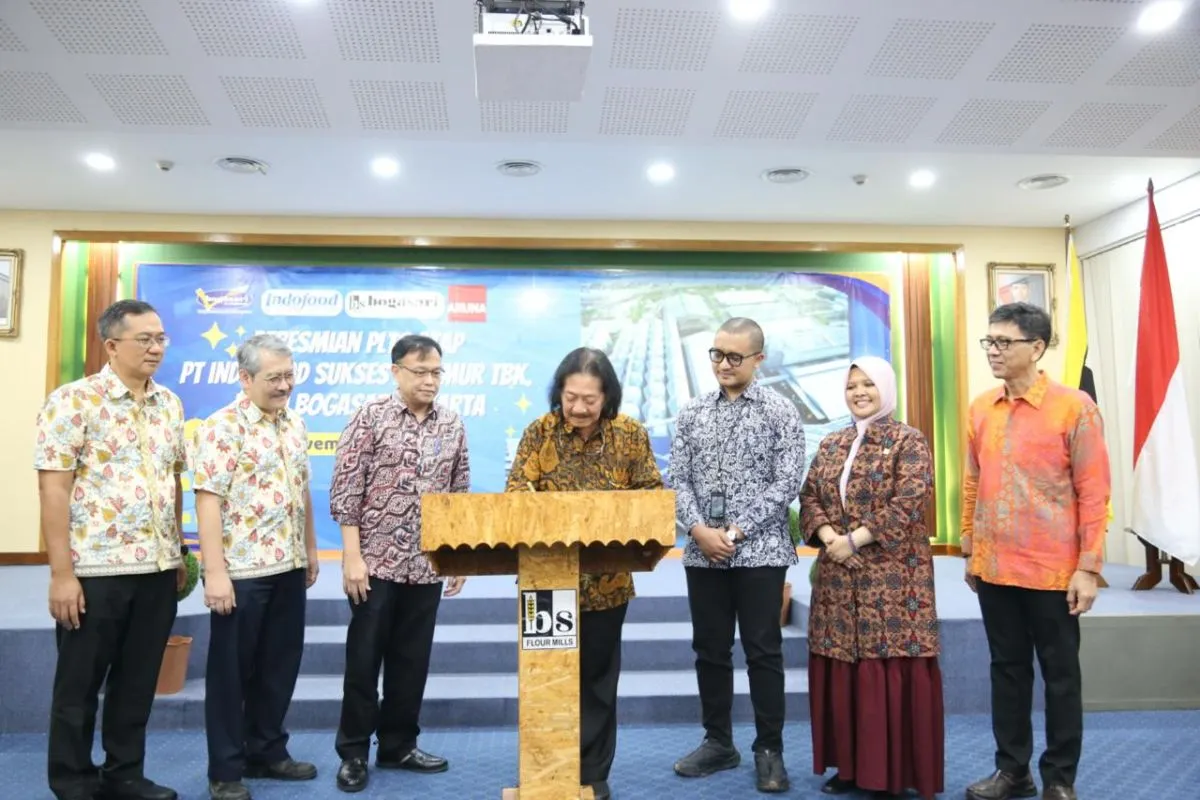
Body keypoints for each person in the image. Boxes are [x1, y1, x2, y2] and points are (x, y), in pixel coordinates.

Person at [35, 299, 188, 800]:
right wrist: (62, 574)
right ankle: (73, 781)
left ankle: (125, 774)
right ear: (112, 345)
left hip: (157, 568)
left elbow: (173, 479)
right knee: (79, 686)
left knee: (137, 683)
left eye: (160, 338)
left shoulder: (170, 403)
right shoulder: (72, 401)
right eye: (144, 339)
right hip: (94, 571)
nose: (155, 348)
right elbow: (53, 489)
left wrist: (178, 551)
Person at [962, 303, 1110, 800]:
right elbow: (972, 481)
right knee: (1007, 672)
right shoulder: (981, 408)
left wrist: (1088, 567)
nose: (994, 351)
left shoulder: (1074, 408)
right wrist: (969, 547)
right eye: (990, 341)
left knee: (1060, 676)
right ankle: (1012, 771)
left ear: (1038, 347)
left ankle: (1059, 778)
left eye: (1004, 342)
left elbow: (1094, 492)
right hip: (995, 566)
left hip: (1053, 570)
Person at [505, 346, 663, 800]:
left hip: (607, 584)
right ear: (558, 393)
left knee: (596, 682)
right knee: (544, 677)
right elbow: (515, 492)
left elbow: (652, 494)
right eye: (570, 397)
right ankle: (544, 770)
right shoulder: (539, 432)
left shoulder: (629, 435)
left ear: (606, 396)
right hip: (545, 582)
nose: (577, 408)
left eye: (589, 400)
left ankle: (592, 772)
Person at [669, 317, 805, 794]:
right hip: (703, 552)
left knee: (763, 652)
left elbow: (787, 482)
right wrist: (698, 530)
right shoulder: (691, 412)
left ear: (758, 359)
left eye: (734, 357)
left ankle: (769, 749)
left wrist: (736, 530)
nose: (723, 364)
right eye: (716, 354)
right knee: (709, 650)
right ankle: (718, 742)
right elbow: (677, 478)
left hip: (760, 551)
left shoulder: (780, 411)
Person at [329, 334, 470, 794]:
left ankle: (398, 745)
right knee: (364, 662)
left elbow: (457, 495)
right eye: (420, 371)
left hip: (426, 564)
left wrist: (456, 558)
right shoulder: (370, 417)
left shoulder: (452, 423)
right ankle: (353, 753)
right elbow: (346, 490)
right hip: (374, 563)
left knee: (412, 661)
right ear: (396, 372)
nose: (430, 380)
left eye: (436, 372)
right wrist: (352, 557)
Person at [799, 355, 943, 799]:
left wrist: (855, 540)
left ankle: (891, 773)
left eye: (868, 384)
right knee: (844, 669)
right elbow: (809, 496)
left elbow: (910, 500)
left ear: (886, 388)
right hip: (838, 581)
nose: (859, 392)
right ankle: (849, 767)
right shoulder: (832, 442)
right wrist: (829, 538)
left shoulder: (908, 440)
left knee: (886, 669)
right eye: (851, 386)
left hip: (893, 583)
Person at [191, 334, 320, 800]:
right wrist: (214, 572)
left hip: (288, 565)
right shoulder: (221, 427)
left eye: (289, 376)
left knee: (279, 666)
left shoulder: (295, 423)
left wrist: (309, 548)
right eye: (273, 378)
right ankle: (226, 770)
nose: (284, 385)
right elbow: (207, 501)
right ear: (245, 379)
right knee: (231, 675)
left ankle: (266, 751)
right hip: (242, 571)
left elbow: (301, 488)